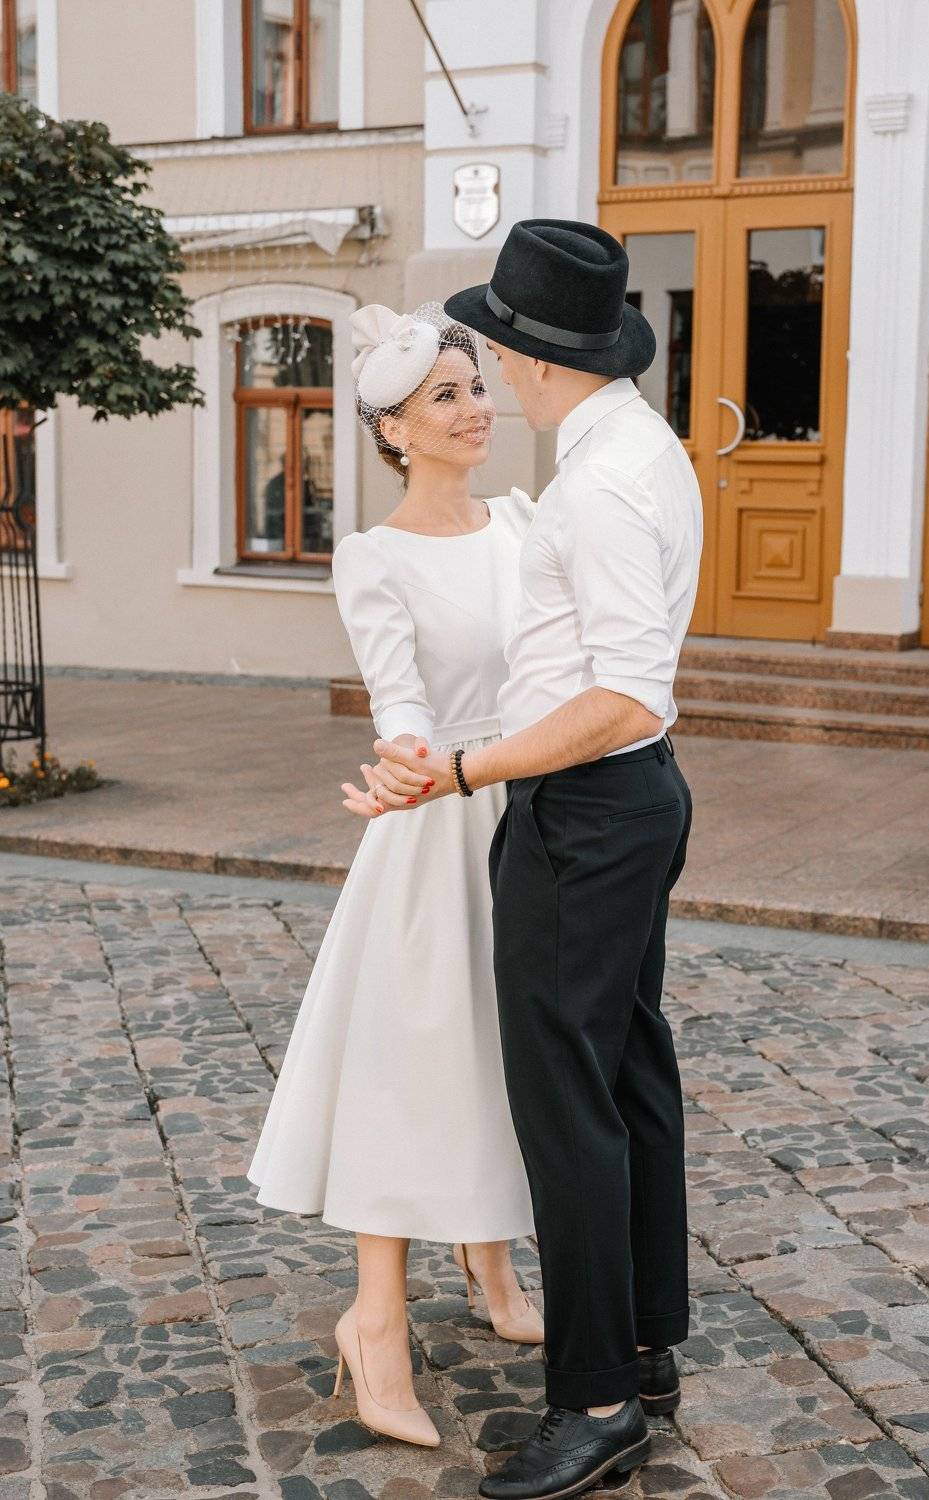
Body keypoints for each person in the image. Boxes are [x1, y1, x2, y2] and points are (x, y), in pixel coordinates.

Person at [343, 222, 703, 1499]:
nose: (486, 376)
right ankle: (646, 1346)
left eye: (490, 355)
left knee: (567, 1104)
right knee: (631, 1072)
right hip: (629, 800)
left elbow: (624, 694)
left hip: (587, 803)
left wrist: (463, 771)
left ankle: (598, 1399)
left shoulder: (594, 484)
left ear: (530, 355)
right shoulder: (637, 446)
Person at [247, 303, 542, 1452]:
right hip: (435, 822)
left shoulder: (523, 522)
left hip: (533, 812)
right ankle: (374, 1322)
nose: (474, 411)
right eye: (444, 398)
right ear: (392, 431)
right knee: (415, 1061)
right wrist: (409, 759)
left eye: (474, 388)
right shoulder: (375, 555)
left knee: (513, 1047)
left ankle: (490, 1260)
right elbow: (399, 692)